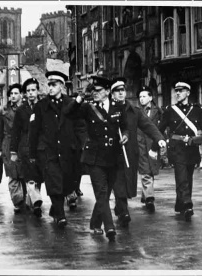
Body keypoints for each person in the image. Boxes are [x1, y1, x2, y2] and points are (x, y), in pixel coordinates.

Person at [65, 75, 128, 241]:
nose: (95, 93)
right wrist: (80, 97)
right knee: (101, 192)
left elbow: (125, 126)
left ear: (107, 91)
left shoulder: (118, 107)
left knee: (105, 194)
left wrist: (126, 135)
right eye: (93, 91)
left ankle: (95, 222)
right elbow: (68, 113)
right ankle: (109, 227)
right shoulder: (88, 108)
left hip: (113, 156)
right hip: (94, 157)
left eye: (98, 91)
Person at [157, 82, 202, 221]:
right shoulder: (170, 111)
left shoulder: (196, 110)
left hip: (191, 148)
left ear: (188, 93)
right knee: (181, 176)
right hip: (177, 148)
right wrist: (155, 147)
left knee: (187, 177)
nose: (178, 93)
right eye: (176, 91)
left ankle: (180, 204)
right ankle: (187, 204)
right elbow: (159, 129)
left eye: (181, 91)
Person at [110, 80, 165, 226]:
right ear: (112, 93)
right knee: (117, 182)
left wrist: (159, 138)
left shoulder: (134, 111)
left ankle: (120, 207)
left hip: (130, 153)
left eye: (123, 90)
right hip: (111, 153)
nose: (121, 93)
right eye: (117, 90)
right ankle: (123, 211)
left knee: (126, 183)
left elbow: (148, 125)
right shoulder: (107, 109)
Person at [29, 71, 78, 228]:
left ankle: (56, 210)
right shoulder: (41, 106)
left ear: (62, 86)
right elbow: (34, 131)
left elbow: (79, 127)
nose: (50, 87)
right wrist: (32, 153)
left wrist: (78, 145)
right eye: (49, 84)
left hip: (66, 151)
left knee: (66, 183)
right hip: (48, 151)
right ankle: (60, 215)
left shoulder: (70, 104)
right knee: (53, 182)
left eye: (54, 84)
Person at [10, 78, 43, 216]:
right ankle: (35, 202)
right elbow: (15, 131)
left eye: (33, 90)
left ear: (38, 91)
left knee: (38, 176)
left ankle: (33, 200)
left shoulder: (43, 106)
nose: (30, 93)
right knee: (28, 175)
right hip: (25, 147)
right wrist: (13, 150)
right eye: (28, 91)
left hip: (41, 146)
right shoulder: (21, 110)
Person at [136, 85, 164, 212]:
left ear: (150, 97)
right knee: (145, 170)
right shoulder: (136, 111)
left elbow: (162, 128)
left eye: (144, 96)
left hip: (153, 144)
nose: (141, 99)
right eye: (140, 96)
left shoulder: (158, 111)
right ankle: (150, 198)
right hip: (140, 143)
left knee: (151, 170)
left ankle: (145, 194)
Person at [0, 84, 25, 210]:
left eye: (15, 93)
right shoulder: (3, 111)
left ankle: (27, 199)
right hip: (8, 144)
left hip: (23, 143)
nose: (13, 96)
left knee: (24, 173)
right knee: (13, 174)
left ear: (21, 95)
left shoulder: (26, 109)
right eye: (11, 94)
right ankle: (17, 201)